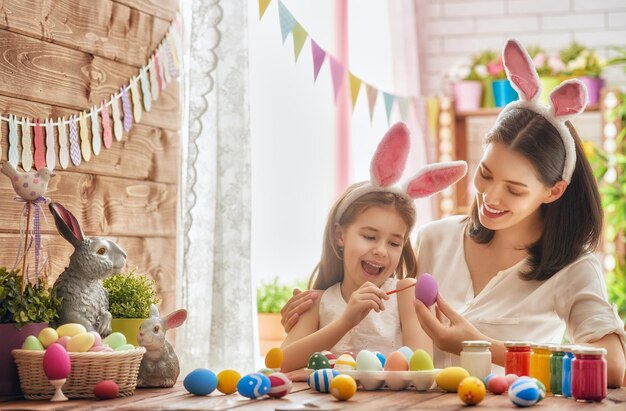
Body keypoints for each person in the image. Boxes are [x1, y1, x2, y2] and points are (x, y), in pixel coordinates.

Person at [280, 39, 626, 387]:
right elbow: (371, 297)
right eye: (486, 174)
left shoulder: (573, 269)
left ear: (553, 191)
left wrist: (484, 347)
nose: (490, 196)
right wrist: (314, 313)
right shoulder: (435, 238)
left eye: (514, 189)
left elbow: (612, 369)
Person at [279, 122, 467, 373]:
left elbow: (421, 368)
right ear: (340, 235)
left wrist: (308, 374)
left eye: (393, 242)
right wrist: (346, 321)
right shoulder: (318, 302)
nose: (381, 250)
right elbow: (279, 364)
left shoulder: (405, 293)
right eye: (369, 237)